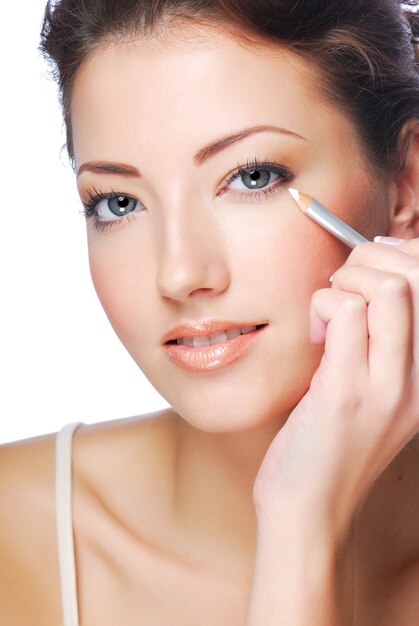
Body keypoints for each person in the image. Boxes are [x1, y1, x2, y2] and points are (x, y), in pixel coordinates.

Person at [1, 0, 419, 624]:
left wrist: (303, 520)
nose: (179, 273)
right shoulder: (15, 535)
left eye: (251, 177)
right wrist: (299, 529)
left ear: (407, 183)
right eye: (118, 202)